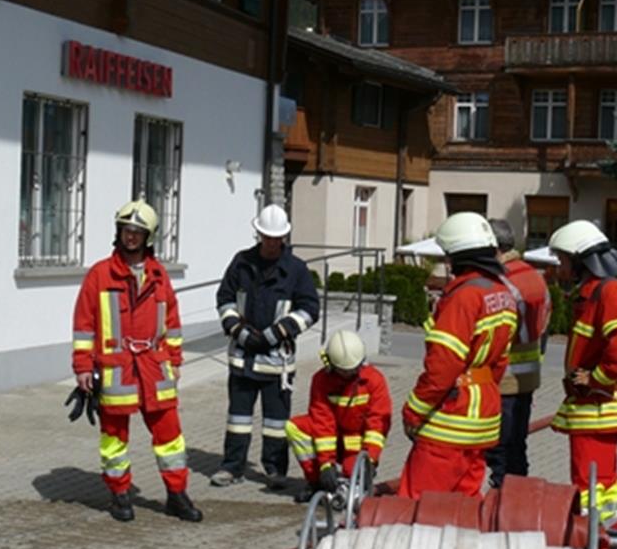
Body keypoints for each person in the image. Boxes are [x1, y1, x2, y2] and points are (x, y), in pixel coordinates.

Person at [71, 199, 202, 523]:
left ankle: (177, 495)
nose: (131, 236)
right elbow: (84, 325)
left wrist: (175, 360)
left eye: (137, 232)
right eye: (126, 230)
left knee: (170, 436)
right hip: (115, 369)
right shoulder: (100, 275)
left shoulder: (159, 276)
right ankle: (119, 495)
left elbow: (172, 322)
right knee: (114, 438)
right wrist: (83, 367)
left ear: (149, 236)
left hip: (155, 368)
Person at [399, 212, 519, 499]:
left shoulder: (463, 297)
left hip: (451, 416)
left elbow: (443, 365)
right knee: (464, 508)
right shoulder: (502, 293)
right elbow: (500, 362)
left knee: (419, 507)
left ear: (456, 256)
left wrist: (414, 410)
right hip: (483, 415)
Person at [211, 205, 320, 487]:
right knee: (238, 419)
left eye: (276, 238)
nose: (271, 242)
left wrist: (277, 333)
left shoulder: (295, 270)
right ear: (259, 234)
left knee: (276, 423)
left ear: (284, 237)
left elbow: (310, 309)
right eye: (267, 237)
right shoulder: (241, 262)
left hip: (276, 361)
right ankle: (232, 468)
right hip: (243, 358)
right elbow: (224, 299)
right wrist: (238, 331)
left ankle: (275, 471)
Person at [547, 220, 617, 529]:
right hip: (590, 406)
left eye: (562, 259)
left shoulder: (608, 291)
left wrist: (597, 377)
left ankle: (591, 539)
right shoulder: (592, 293)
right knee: (600, 481)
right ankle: (605, 535)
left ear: (579, 260)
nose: (559, 266)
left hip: (595, 406)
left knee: (589, 482)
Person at [285, 329, 392, 503]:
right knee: (294, 427)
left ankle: (349, 483)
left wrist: (370, 459)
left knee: (352, 474)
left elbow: (377, 424)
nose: (349, 375)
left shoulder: (374, 380)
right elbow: (322, 422)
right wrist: (325, 464)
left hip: (356, 444)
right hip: (333, 438)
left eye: (353, 370)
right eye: (344, 371)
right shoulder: (322, 381)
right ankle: (316, 483)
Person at [484, 219, 552, 488]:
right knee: (516, 446)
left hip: (504, 379)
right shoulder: (534, 276)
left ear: (493, 248)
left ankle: (504, 498)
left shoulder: (503, 281)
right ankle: (518, 495)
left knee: (499, 448)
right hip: (528, 377)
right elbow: (544, 327)